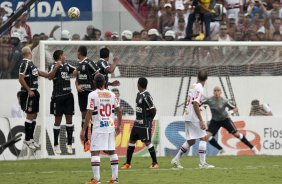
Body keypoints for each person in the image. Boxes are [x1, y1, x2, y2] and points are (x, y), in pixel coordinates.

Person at [81, 73, 122, 184]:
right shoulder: (112, 94)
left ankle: (96, 179)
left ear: (94, 82)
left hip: (99, 127)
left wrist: (84, 130)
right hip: (110, 126)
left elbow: (89, 112)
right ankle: (114, 179)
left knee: (95, 152)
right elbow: (119, 110)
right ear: (104, 82)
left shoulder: (92, 95)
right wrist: (119, 125)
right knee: (112, 151)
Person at [171, 70, 214, 169]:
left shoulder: (194, 85)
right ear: (206, 79)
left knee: (191, 141)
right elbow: (195, 104)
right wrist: (201, 120)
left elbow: (194, 102)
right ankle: (202, 164)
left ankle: (176, 160)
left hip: (187, 115)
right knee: (203, 137)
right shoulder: (200, 88)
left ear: (197, 77)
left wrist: (200, 104)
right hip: (193, 116)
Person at [202, 86, 259, 155]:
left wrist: (231, 112)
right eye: (215, 91)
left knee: (237, 134)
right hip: (215, 121)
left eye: (218, 91)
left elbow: (236, 108)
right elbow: (198, 103)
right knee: (206, 137)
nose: (216, 92)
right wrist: (199, 107)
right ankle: (221, 149)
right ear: (213, 92)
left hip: (225, 119)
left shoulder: (224, 100)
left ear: (221, 92)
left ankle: (252, 148)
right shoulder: (209, 99)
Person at [121, 77, 158, 169]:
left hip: (144, 124)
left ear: (139, 84)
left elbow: (153, 110)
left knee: (147, 142)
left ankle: (155, 163)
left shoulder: (146, 96)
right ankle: (128, 164)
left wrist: (149, 120)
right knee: (131, 141)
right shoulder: (138, 94)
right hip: (137, 123)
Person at [18, 46, 50, 150]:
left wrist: (52, 74)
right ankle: (27, 139)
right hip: (29, 93)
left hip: (35, 92)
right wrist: (29, 90)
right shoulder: (25, 63)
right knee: (30, 115)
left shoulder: (31, 64)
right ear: (29, 53)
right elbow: (20, 78)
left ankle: (31, 139)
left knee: (34, 115)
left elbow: (41, 73)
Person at [48, 50, 76, 154]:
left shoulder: (67, 65)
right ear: (60, 56)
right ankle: (56, 144)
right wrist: (56, 67)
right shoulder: (53, 66)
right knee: (58, 121)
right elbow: (49, 77)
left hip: (68, 96)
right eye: (64, 55)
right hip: (57, 97)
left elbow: (76, 72)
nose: (65, 56)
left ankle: (69, 144)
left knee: (69, 120)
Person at [75, 46, 100, 151]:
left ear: (79, 53)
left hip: (90, 93)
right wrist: (77, 86)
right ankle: (86, 141)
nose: (76, 53)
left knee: (92, 116)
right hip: (81, 94)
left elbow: (98, 75)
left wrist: (95, 87)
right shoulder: (78, 65)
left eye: (77, 52)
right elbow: (77, 80)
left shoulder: (89, 62)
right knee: (84, 116)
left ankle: (94, 141)